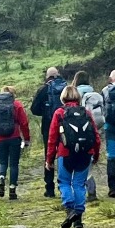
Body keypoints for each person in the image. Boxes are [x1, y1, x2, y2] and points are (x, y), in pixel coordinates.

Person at [48, 86, 103, 228]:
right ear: (78, 98)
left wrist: (49, 159)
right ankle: (78, 218)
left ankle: (70, 209)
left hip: (65, 153)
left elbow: (52, 138)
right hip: (85, 153)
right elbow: (96, 136)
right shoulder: (86, 112)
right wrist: (96, 154)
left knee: (64, 182)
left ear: (63, 97)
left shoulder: (59, 113)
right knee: (79, 184)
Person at [0, 86, 31, 200]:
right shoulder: (17, 105)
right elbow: (24, 123)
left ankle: (1, 178)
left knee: (2, 162)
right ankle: (12, 190)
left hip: (0, 139)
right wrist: (26, 139)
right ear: (13, 94)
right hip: (15, 137)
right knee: (14, 164)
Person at [31, 67, 68, 198]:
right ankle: (65, 185)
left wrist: (45, 111)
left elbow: (33, 109)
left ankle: (49, 188)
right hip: (65, 125)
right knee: (65, 153)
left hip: (48, 125)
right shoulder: (66, 86)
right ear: (57, 75)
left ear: (47, 77)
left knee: (49, 155)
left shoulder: (43, 89)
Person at [74, 70, 104, 197]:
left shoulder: (76, 93)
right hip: (94, 129)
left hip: (79, 131)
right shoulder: (94, 93)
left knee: (78, 162)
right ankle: (92, 190)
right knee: (88, 161)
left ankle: (83, 190)